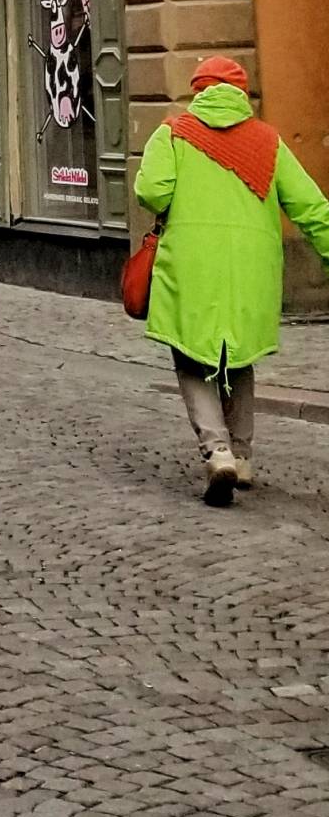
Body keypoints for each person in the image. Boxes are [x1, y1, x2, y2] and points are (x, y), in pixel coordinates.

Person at [134, 52, 329, 505]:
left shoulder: (174, 133)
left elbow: (152, 192)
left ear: (198, 91)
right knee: (238, 358)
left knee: (191, 355)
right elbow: (311, 208)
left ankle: (217, 451)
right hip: (252, 268)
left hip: (191, 264)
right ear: (241, 94)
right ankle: (241, 457)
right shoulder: (269, 141)